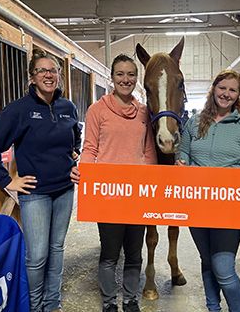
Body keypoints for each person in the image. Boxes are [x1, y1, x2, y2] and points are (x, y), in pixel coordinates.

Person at [0, 48, 82, 312]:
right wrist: (7, 181)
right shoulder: (19, 110)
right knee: (37, 256)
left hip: (64, 191)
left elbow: (75, 140)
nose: (48, 75)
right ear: (32, 77)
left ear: (59, 76)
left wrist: (75, 161)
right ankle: (34, 306)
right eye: (42, 71)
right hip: (35, 194)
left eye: (53, 70)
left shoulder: (68, 107)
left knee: (57, 249)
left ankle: (53, 304)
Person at [176, 69, 240, 312]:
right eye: (222, 88)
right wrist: (182, 160)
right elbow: (183, 152)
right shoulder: (194, 123)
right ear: (214, 88)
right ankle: (213, 308)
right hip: (196, 204)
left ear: (237, 95)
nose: (226, 94)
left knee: (224, 267)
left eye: (232, 90)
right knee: (207, 260)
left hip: (227, 208)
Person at [70, 54, 157, 312]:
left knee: (134, 253)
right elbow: (90, 149)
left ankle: (131, 300)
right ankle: (109, 302)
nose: (126, 79)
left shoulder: (143, 112)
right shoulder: (97, 110)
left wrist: (152, 182)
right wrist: (83, 173)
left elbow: (149, 151)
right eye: (120, 74)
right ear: (112, 77)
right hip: (109, 194)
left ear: (136, 79)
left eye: (131, 74)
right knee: (109, 254)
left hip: (137, 193)